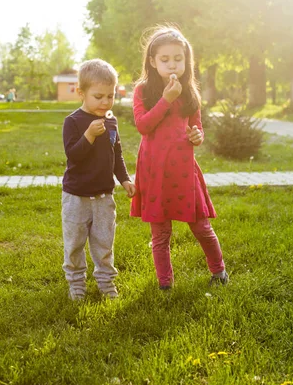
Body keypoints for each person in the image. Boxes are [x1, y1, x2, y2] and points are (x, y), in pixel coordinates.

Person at [130, 25, 229, 289]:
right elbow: (143, 125)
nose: (172, 64)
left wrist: (198, 135)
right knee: (161, 234)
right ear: (152, 62)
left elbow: (196, 128)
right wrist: (165, 99)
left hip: (184, 171)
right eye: (165, 59)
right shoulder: (143, 91)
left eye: (178, 59)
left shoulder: (189, 92)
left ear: (187, 61)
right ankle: (165, 284)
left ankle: (219, 272)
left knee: (201, 227)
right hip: (155, 171)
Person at [62, 58, 136, 301]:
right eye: (98, 96)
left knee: (104, 243)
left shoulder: (111, 121)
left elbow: (117, 154)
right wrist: (89, 135)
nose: (105, 102)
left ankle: (105, 281)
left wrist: (124, 179)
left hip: (104, 196)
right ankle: (76, 282)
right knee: (74, 243)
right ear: (81, 93)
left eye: (110, 96)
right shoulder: (73, 122)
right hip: (76, 197)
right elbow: (74, 156)